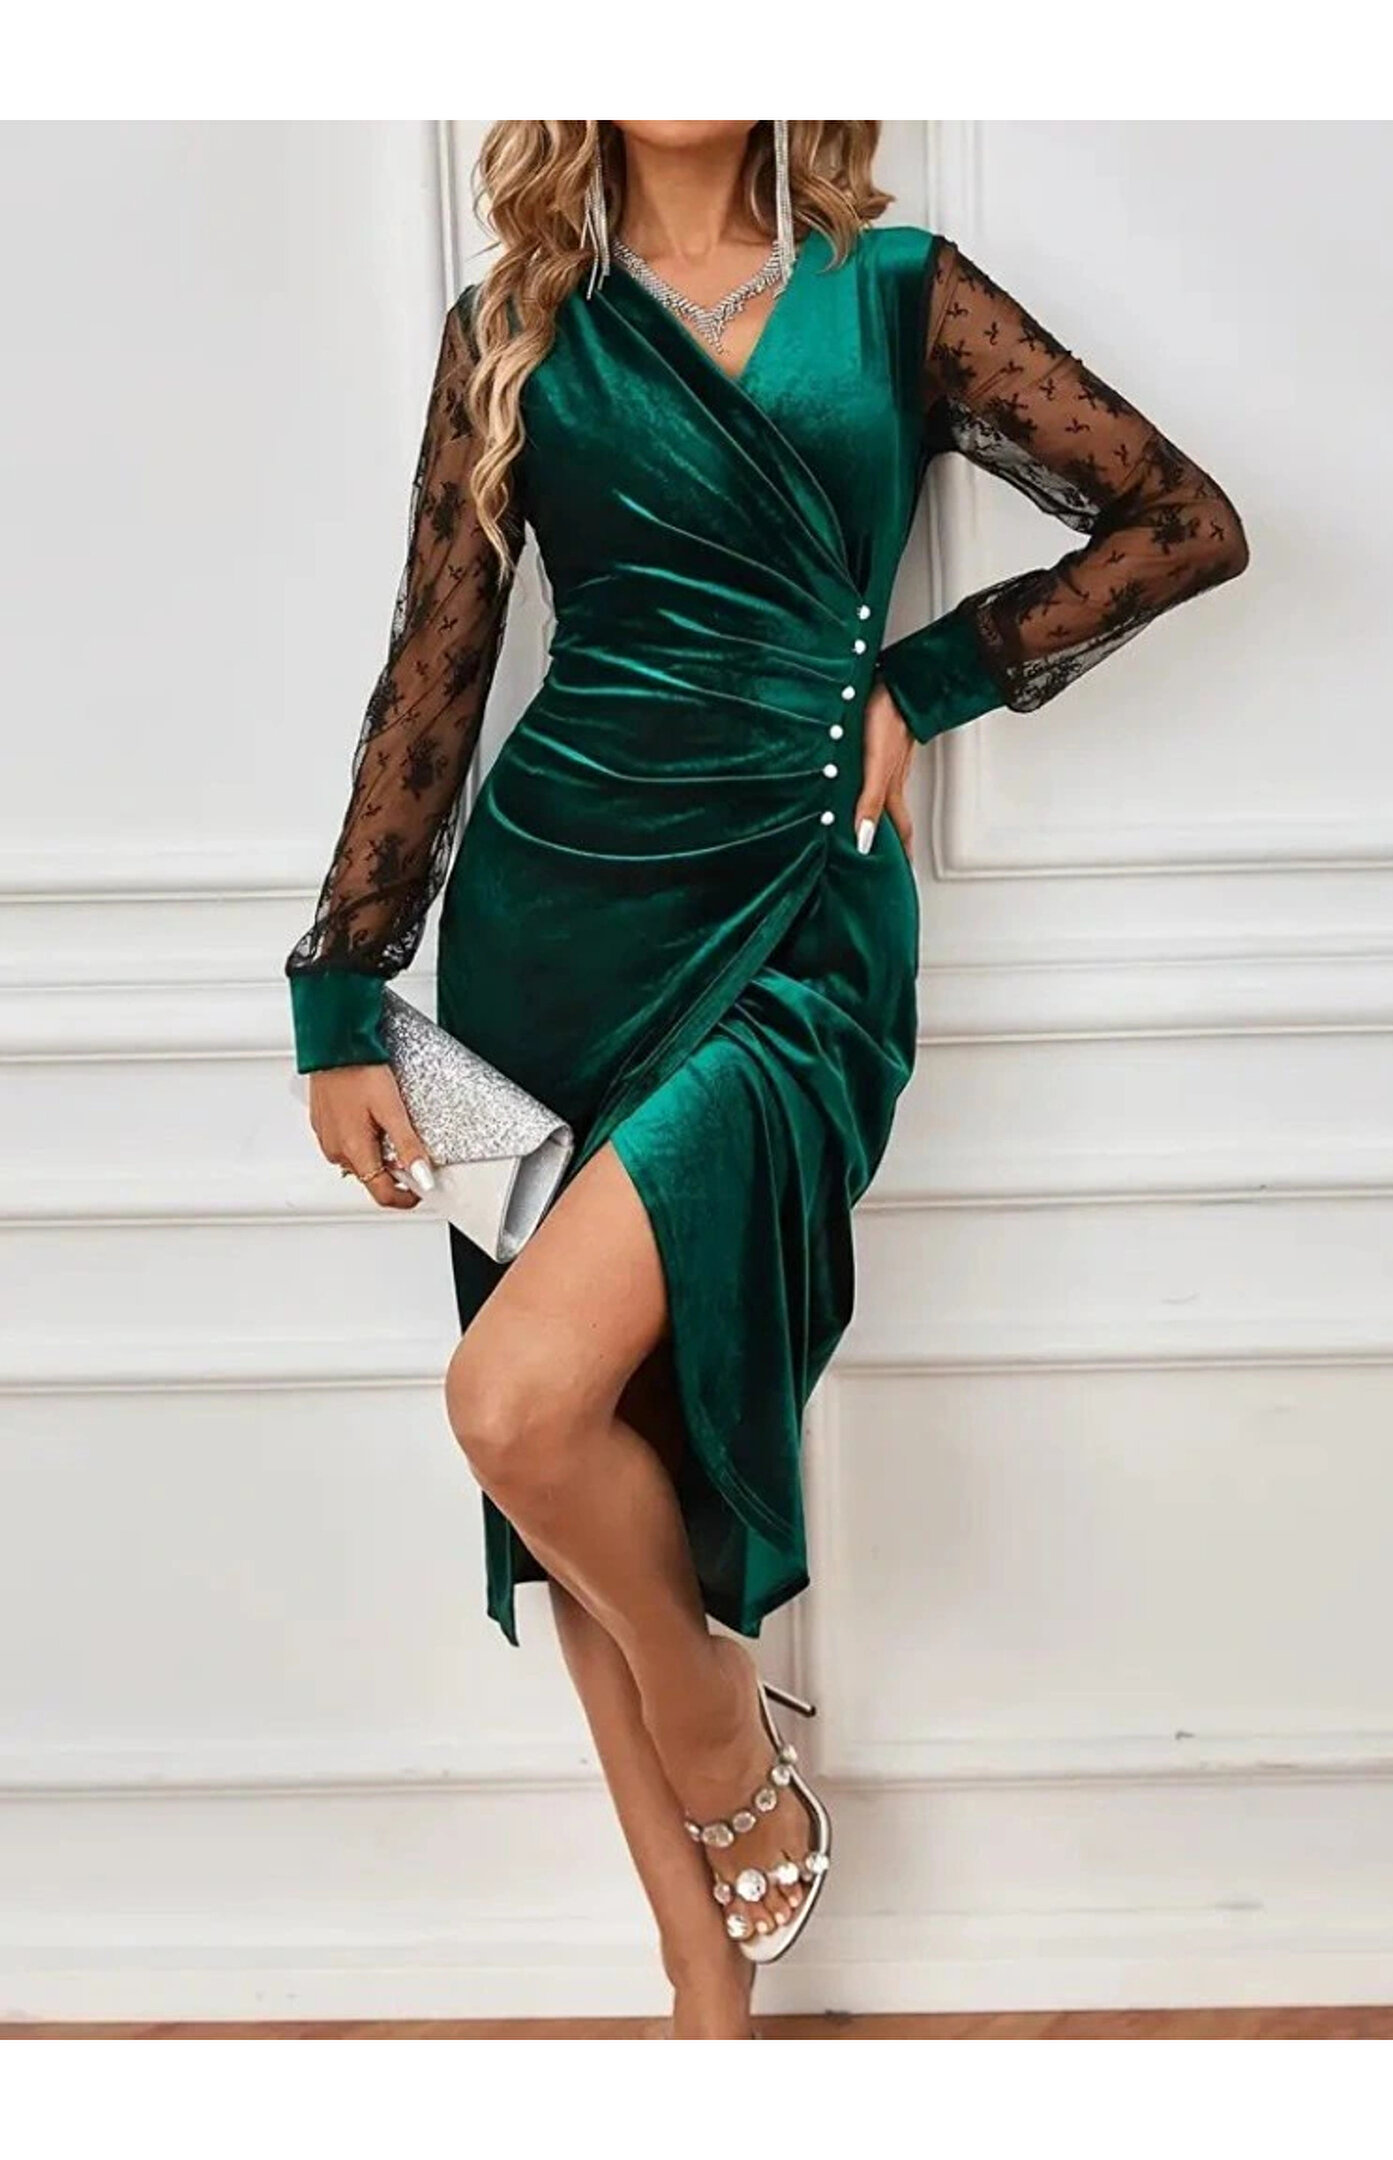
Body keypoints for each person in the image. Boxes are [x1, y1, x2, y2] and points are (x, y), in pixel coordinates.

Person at [284, 120, 1249, 2039]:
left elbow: (1180, 519)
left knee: (513, 1398)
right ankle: (703, 2012)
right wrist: (342, 987)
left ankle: (718, 1715)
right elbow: (437, 665)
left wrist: (923, 679)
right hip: (553, 927)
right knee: (571, 1446)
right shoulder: (513, 328)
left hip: (802, 918)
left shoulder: (899, 297)